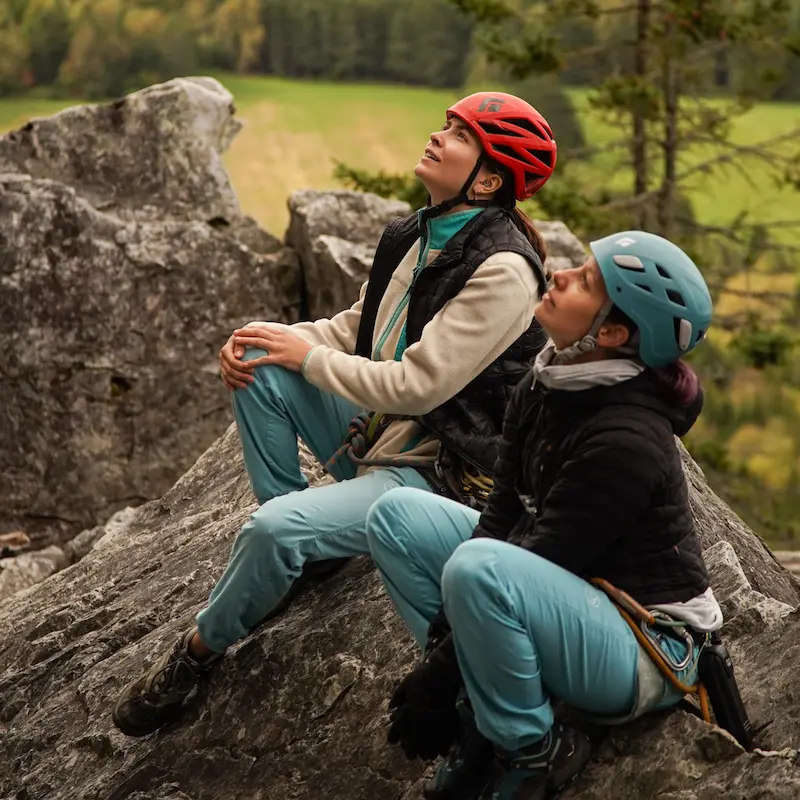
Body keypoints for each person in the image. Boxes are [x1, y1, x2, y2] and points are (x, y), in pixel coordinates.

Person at [110, 92, 559, 737]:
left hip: (434, 476)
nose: (437, 136)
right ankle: (309, 553)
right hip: (385, 439)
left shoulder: (505, 269)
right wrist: (269, 338)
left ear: (488, 178)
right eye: (446, 125)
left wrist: (306, 358)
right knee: (263, 367)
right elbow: (357, 331)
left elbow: (417, 385)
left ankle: (194, 656)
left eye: (459, 135)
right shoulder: (420, 231)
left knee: (269, 530)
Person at [366, 230, 723, 800]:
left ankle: (531, 748)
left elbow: (541, 554)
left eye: (584, 282)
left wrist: (435, 676)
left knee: (478, 569)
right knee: (396, 518)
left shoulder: (627, 439)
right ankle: (481, 708)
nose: (558, 276)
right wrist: (443, 653)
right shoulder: (548, 377)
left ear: (610, 333)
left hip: (644, 647)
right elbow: (501, 513)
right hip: (571, 595)